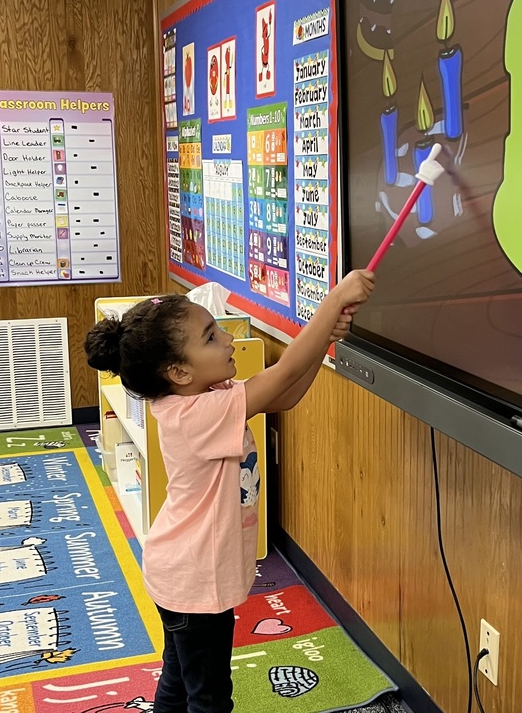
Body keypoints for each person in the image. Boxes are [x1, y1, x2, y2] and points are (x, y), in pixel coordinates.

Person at [84, 269, 375, 713]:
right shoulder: (197, 413)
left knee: (181, 680)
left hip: (185, 571)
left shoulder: (204, 394)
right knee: (210, 696)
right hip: (193, 578)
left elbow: (285, 395)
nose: (227, 340)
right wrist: (333, 301)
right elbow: (285, 373)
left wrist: (324, 342)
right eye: (210, 337)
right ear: (179, 371)